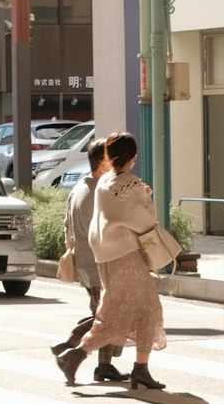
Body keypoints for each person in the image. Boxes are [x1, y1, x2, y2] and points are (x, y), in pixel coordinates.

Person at [53, 130, 167, 390]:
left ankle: (77, 356)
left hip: (104, 256)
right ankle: (138, 368)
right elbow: (146, 220)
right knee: (147, 309)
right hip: (126, 256)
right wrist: (146, 196)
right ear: (132, 157)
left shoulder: (103, 183)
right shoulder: (129, 184)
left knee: (114, 314)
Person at [50, 139, 128, 383]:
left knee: (105, 313)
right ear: (104, 162)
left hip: (86, 260)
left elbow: (67, 226)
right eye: (112, 158)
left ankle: (101, 364)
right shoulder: (97, 192)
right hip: (98, 263)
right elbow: (107, 229)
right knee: (108, 316)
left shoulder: (81, 187)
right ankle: (72, 348)